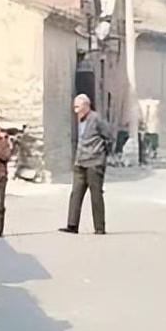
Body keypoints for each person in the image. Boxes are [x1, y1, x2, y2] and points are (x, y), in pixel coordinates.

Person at [61, 94, 113, 235]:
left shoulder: (96, 119)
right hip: (80, 162)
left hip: (94, 163)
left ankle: (99, 227)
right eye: (74, 107)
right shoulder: (79, 120)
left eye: (77, 107)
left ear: (86, 105)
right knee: (76, 193)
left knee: (96, 195)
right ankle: (72, 225)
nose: (75, 110)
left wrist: (101, 154)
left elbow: (109, 136)